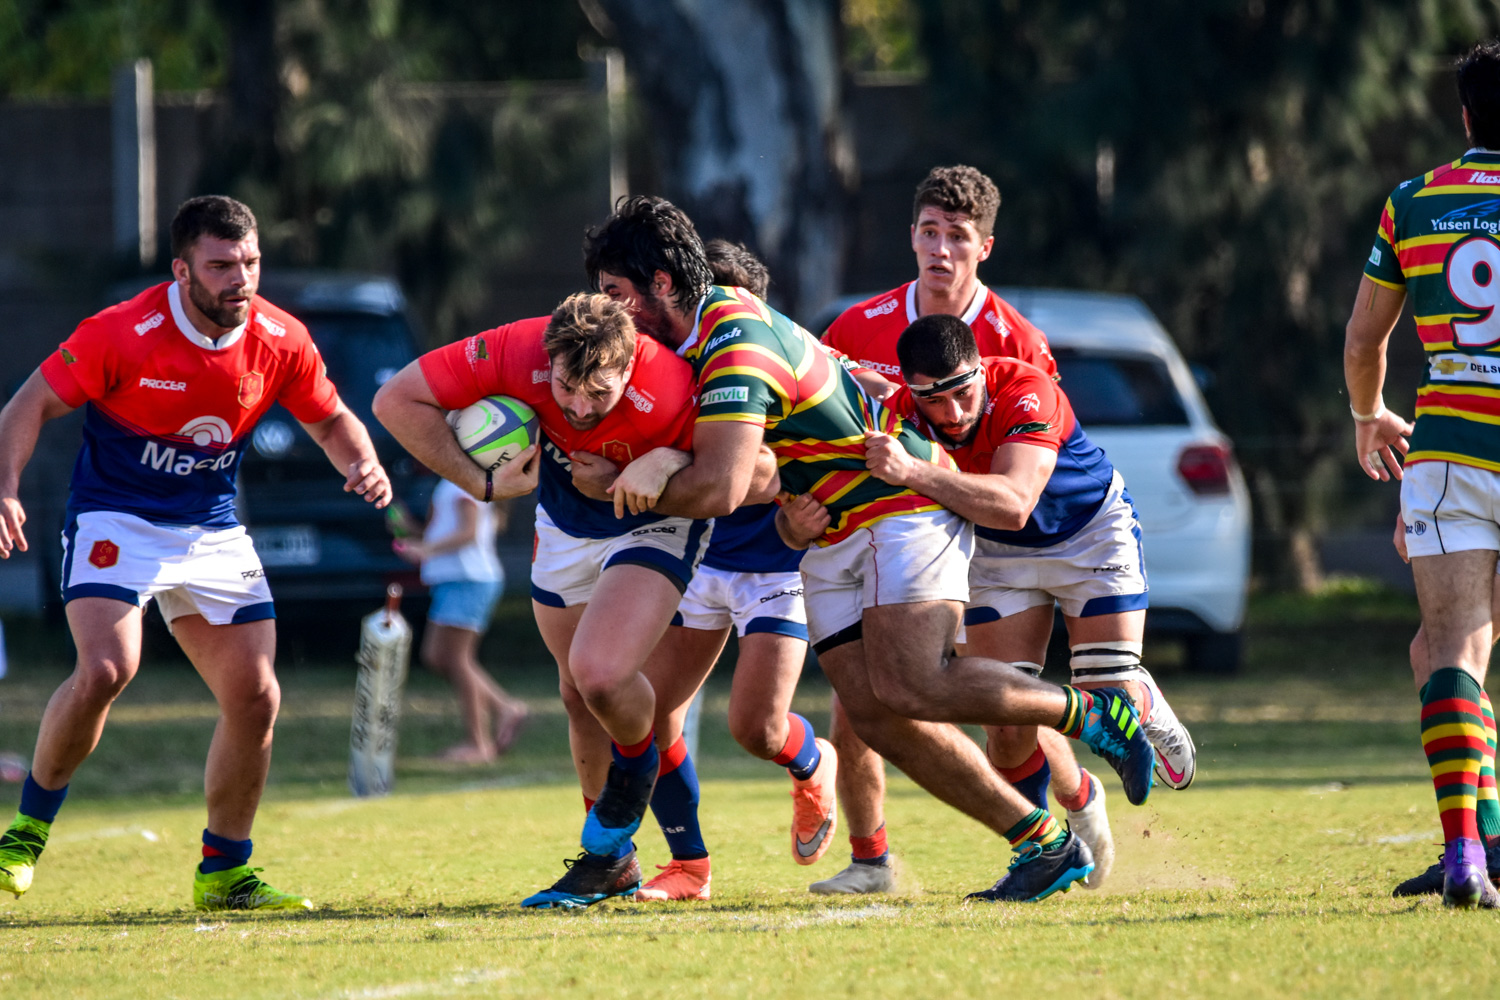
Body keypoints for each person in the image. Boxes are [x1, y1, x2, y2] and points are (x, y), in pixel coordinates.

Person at [585, 195, 1156, 902]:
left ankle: (1093, 714)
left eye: (615, 293)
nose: (610, 311)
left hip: (899, 506)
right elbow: (760, 470)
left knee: (916, 682)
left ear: (661, 284)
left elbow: (725, 485)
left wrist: (626, 482)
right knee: (878, 715)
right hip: (831, 530)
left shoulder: (731, 336)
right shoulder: (694, 346)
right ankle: (1041, 843)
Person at [0, 195, 392, 910]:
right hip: (117, 517)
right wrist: (5, 489)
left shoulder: (280, 337)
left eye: (250, 262)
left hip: (210, 527)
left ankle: (224, 871)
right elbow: (26, 406)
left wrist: (361, 460)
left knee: (256, 695)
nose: (239, 278)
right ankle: (23, 835)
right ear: (182, 270)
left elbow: (330, 416)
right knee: (107, 669)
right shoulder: (122, 332)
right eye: (220, 265)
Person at [812, 166, 1197, 895]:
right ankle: (1061, 826)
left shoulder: (1020, 350)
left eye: (957, 236)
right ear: (912, 236)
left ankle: (1133, 701)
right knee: (1001, 718)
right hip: (982, 547)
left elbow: (1018, 493)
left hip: (1073, 532)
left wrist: (913, 470)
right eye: (929, 232)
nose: (941, 249)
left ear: (984, 247)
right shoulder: (857, 330)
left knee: (1100, 684)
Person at [373, 292, 774, 909]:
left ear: (631, 366)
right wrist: (477, 480)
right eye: (566, 389)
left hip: (653, 525)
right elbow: (395, 401)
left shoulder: (672, 383)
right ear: (549, 360)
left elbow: (760, 473)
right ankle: (610, 863)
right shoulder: (516, 349)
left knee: (602, 674)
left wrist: (665, 459)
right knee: (577, 694)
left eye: (599, 393)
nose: (580, 408)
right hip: (564, 528)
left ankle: (635, 778)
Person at [625, 239, 837, 903]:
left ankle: (812, 760)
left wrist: (666, 467)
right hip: (698, 559)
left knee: (757, 730)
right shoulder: (672, 367)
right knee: (649, 713)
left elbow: (760, 473)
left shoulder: (773, 368)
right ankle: (689, 866)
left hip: (775, 564)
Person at [1344, 40, 1500, 909]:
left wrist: (1368, 418)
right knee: (1455, 653)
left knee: (1446, 651)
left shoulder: (1417, 201)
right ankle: (1482, 847)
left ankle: (1469, 854)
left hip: (1449, 455)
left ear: (1467, 116)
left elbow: (1366, 340)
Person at [390, 480, 528, 763]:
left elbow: (468, 533)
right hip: (455, 579)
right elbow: (440, 531)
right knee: (437, 656)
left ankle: (479, 744)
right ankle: (505, 708)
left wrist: (426, 550)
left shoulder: (462, 482)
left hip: (468, 579)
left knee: (456, 659)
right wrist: (409, 529)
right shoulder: (450, 483)